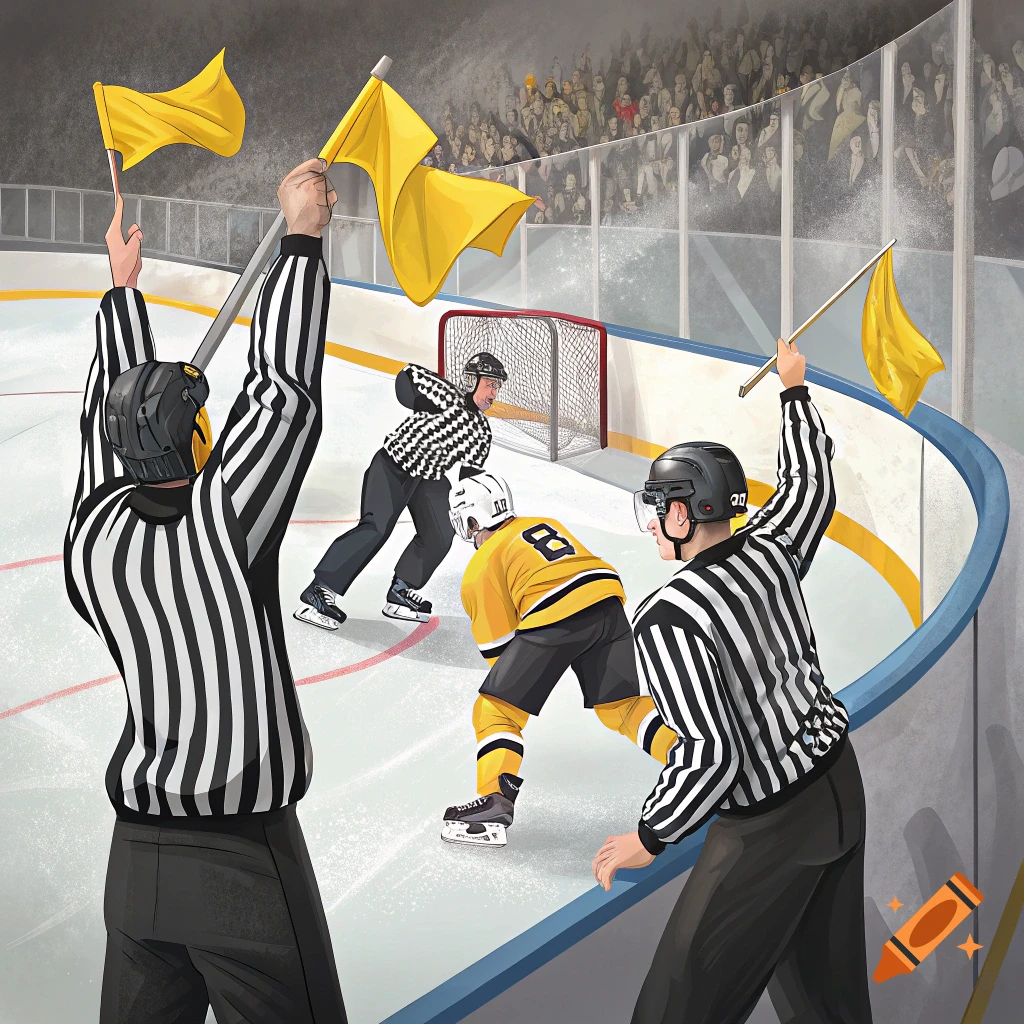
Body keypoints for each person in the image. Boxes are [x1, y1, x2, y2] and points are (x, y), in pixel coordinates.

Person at [65, 159, 349, 1023]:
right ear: (196, 441)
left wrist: (122, 293)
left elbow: (104, 428)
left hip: (135, 867)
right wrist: (301, 240)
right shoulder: (227, 522)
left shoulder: (93, 538)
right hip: (242, 869)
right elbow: (285, 398)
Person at [593, 338, 872, 1024]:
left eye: (659, 505)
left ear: (685, 512)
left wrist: (650, 834)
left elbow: (712, 756)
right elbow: (811, 487)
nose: (654, 520)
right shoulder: (773, 549)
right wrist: (795, 390)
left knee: (671, 1013)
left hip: (768, 829)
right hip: (840, 783)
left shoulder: (668, 616)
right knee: (828, 1006)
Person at [440, 472, 678, 847]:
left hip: (555, 613)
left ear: (471, 520)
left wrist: (522, 682)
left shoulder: (481, 566)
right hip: (607, 603)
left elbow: (499, 653)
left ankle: (495, 801)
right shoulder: (543, 523)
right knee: (622, 707)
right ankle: (691, 758)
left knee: (496, 710)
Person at [296, 353, 507, 628]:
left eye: (497, 386)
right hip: (392, 466)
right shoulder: (445, 395)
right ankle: (321, 588)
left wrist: (478, 519)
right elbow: (407, 375)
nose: (494, 392)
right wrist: (420, 403)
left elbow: (469, 478)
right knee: (376, 527)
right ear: (471, 380)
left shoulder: (481, 432)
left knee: (441, 533)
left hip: (429, 479)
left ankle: (401, 590)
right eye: (490, 383)